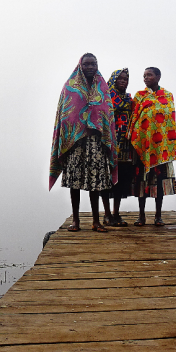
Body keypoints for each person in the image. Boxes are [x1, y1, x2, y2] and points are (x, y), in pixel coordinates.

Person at [49, 53, 118, 232]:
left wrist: (97, 127)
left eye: (93, 64)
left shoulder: (102, 87)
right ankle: (76, 220)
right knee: (75, 183)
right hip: (75, 143)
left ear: (97, 65)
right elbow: (65, 115)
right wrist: (76, 130)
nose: (90, 67)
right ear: (80, 65)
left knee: (95, 183)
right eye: (86, 64)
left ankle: (96, 221)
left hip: (96, 142)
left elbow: (107, 113)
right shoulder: (70, 86)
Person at [127, 67, 176, 226]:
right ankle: (141, 216)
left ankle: (158, 216)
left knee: (159, 182)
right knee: (141, 181)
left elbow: (169, 120)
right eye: (144, 76)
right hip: (143, 146)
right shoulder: (139, 96)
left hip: (160, 148)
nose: (146, 78)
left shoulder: (167, 96)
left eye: (149, 75)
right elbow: (134, 118)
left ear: (158, 76)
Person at [101, 68, 134, 227]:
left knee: (121, 181)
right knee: (107, 180)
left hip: (125, 145)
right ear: (113, 80)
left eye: (126, 79)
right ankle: (106, 214)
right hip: (109, 144)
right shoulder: (105, 97)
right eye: (120, 78)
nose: (123, 81)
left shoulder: (129, 98)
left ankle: (116, 213)